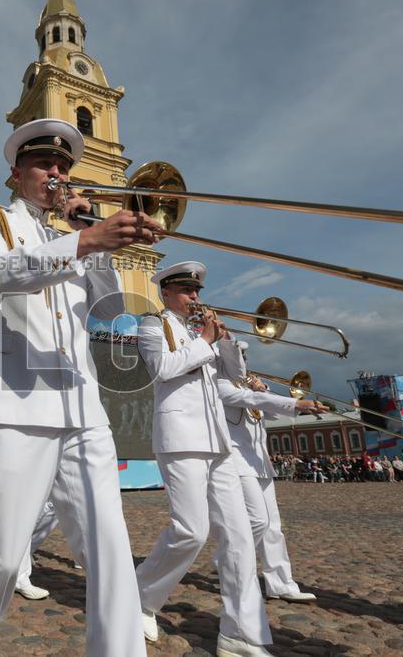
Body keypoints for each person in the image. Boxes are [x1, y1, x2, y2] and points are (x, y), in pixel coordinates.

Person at [0, 118, 159, 657]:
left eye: (63, 166)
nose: (57, 173)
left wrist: (96, 237)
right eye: (44, 164)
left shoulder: (75, 233)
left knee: (111, 552)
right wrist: (81, 241)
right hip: (15, 405)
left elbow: (107, 302)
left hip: (83, 406)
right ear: (16, 174)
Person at [134, 261, 273, 656]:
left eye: (196, 291)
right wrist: (206, 342)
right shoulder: (151, 325)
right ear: (166, 292)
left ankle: (240, 635)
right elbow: (163, 369)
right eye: (186, 291)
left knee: (239, 536)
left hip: (219, 441)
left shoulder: (203, 333)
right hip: (181, 439)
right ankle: (140, 598)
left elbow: (236, 377)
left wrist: (226, 342)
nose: (195, 297)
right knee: (190, 531)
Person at [215, 349, 327, 604]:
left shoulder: (250, 387)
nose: (243, 362)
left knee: (273, 526)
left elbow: (272, 412)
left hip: (260, 462)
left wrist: (264, 390)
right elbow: (249, 400)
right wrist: (290, 402)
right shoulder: (219, 385)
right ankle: (227, 560)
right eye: (239, 357)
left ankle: (281, 583)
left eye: (245, 357)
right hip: (236, 461)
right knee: (258, 520)